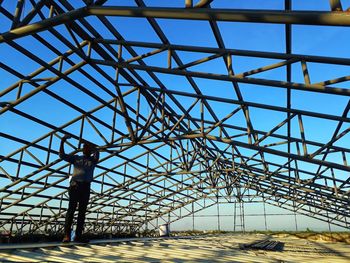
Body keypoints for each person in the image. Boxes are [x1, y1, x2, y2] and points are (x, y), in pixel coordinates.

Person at [60, 135, 99, 243]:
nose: (86, 149)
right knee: (71, 211)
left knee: (82, 212)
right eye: (85, 147)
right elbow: (62, 155)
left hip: (86, 186)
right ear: (82, 149)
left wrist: (91, 145)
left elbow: (97, 152)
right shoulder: (76, 158)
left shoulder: (93, 160)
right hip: (76, 186)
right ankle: (66, 235)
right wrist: (62, 141)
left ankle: (78, 236)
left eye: (88, 148)